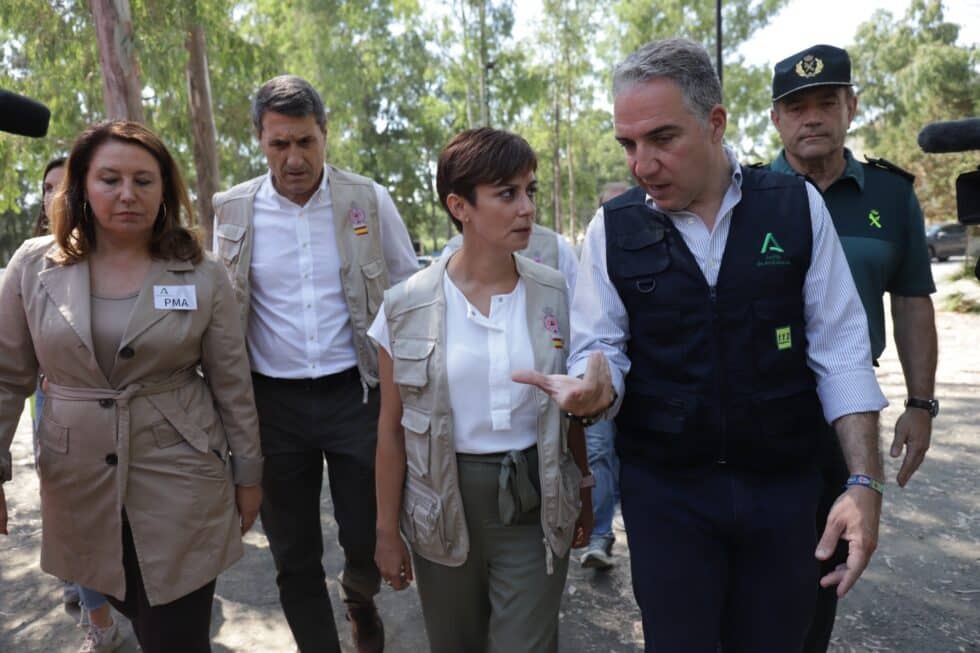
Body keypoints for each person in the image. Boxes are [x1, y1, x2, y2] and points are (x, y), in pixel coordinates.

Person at [514, 38, 889, 652]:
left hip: (785, 489)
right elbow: (601, 344)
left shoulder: (796, 207)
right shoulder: (613, 228)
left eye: (661, 139)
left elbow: (842, 352)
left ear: (715, 123)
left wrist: (863, 484)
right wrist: (594, 384)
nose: (641, 164)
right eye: (627, 145)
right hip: (668, 497)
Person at [0, 120, 263, 653]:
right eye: (110, 179)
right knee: (122, 600)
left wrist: (249, 472)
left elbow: (231, 381)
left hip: (181, 474)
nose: (127, 194)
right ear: (81, 186)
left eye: (144, 180)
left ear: (164, 189)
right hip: (77, 480)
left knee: (175, 632)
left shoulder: (200, 272)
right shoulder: (33, 266)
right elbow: (7, 377)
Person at [211, 75, 418, 653]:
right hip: (272, 407)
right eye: (279, 144)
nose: (294, 158)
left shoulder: (368, 200)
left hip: (357, 396)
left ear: (325, 134)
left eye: (305, 141)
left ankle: (360, 594)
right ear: (259, 140)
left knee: (367, 533)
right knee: (293, 551)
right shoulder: (231, 211)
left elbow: (407, 294)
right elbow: (219, 311)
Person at [371, 127, 592, 653]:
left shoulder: (555, 293)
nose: (526, 209)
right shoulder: (405, 307)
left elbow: (572, 410)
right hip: (441, 503)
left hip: (534, 497)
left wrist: (583, 489)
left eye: (530, 191)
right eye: (507, 194)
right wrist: (385, 530)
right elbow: (390, 429)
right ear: (460, 206)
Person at [767, 43, 938, 652]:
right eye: (796, 107)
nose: (811, 117)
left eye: (826, 102)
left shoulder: (890, 197)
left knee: (824, 556)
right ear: (776, 120)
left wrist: (922, 401)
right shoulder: (750, 194)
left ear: (851, 107)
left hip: (849, 411)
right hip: (767, 402)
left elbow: (913, 298)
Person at [30, 155, 122, 653]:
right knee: (70, 513)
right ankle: (99, 620)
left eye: (66, 186)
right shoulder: (29, 264)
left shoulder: (119, 255)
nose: (56, 196)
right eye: (47, 188)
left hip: (111, 407)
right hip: (51, 404)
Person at [577, 181, 629, 571]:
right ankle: (599, 536)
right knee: (598, 452)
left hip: (646, 386)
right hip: (599, 377)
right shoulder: (592, 249)